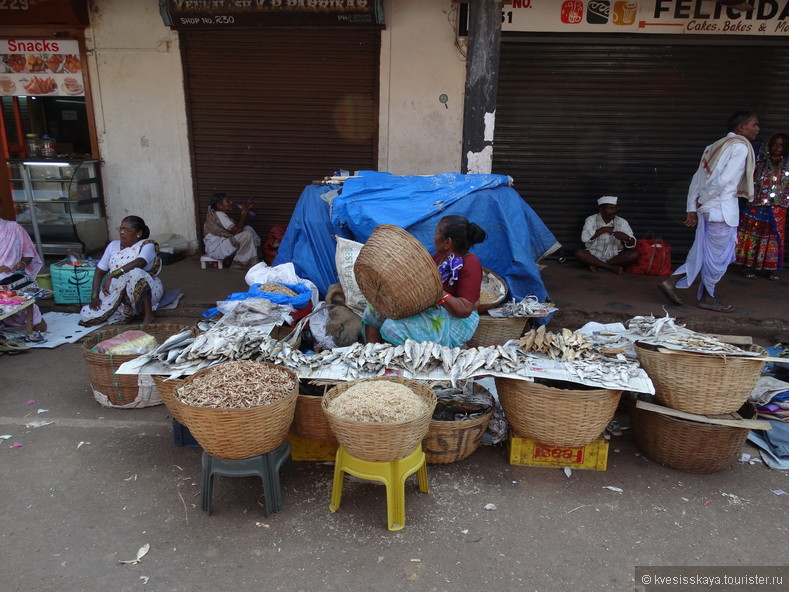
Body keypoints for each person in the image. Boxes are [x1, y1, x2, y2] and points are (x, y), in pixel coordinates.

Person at [659, 110, 759, 313]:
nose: (758, 128)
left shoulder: (713, 146)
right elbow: (723, 181)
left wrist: (692, 207)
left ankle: (681, 286)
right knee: (718, 258)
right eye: (754, 124)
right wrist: (702, 201)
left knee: (704, 253)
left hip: (710, 210)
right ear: (741, 127)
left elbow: (697, 179)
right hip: (721, 211)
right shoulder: (739, 147)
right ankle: (703, 296)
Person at [363, 215, 486, 348]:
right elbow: (423, 280)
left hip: (454, 318)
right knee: (374, 309)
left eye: (437, 233)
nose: (434, 237)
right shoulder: (440, 256)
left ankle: (397, 364)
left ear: (447, 242)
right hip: (432, 306)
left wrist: (437, 292)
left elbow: (465, 309)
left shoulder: (470, 262)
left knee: (393, 327)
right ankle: (372, 355)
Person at [79, 216, 163, 326]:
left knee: (135, 272)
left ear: (138, 233)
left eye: (126, 230)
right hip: (116, 291)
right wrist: (94, 296)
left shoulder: (147, 245)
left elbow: (140, 262)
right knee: (86, 313)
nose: (122, 232)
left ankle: (148, 315)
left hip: (145, 288)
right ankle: (129, 311)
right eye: (120, 229)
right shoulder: (112, 246)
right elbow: (99, 271)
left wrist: (112, 275)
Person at [735, 131, 789, 281]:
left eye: (781, 145)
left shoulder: (788, 164)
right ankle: (747, 266)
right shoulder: (758, 162)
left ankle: (769, 268)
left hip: (778, 208)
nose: (778, 148)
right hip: (756, 206)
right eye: (775, 144)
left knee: (773, 238)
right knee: (752, 236)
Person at [0, 218, 47, 332]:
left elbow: (29, 254)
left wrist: (22, 263)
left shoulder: (14, 228)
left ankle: (31, 321)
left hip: (12, 277)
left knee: (39, 326)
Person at [574, 196, 638, 274]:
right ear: (601, 210)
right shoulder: (591, 219)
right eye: (610, 208)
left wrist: (627, 238)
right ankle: (611, 267)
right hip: (593, 254)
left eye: (615, 208)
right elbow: (584, 238)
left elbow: (632, 243)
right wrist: (603, 230)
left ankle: (599, 265)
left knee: (634, 254)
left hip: (614, 256)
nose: (614, 211)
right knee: (579, 253)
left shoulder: (622, 222)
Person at [203, 192, 261, 270]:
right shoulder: (220, 215)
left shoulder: (220, 214)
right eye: (228, 201)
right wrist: (244, 213)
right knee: (246, 235)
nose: (231, 202)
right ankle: (241, 264)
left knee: (248, 228)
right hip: (216, 250)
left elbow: (238, 229)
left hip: (222, 245)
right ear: (219, 205)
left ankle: (256, 257)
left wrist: (245, 211)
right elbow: (238, 231)